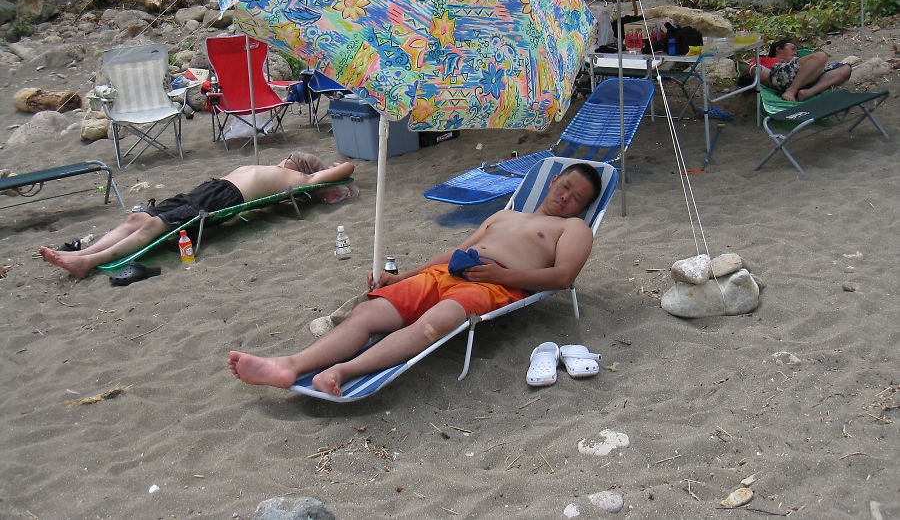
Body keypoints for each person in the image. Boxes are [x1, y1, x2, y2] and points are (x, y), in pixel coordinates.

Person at [228, 162, 603, 397]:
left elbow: (563, 277)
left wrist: (502, 275)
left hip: (493, 284)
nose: (566, 198)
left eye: (577, 198)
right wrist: (401, 277)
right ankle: (290, 365)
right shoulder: (504, 216)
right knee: (367, 314)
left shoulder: (573, 229)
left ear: (583, 208)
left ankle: (343, 371)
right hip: (449, 271)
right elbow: (454, 251)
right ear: (554, 181)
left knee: (432, 325)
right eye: (565, 187)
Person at [40, 153, 355, 280]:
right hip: (208, 189)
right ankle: (81, 253)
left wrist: (326, 167)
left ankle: (89, 261)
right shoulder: (275, 169)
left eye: (292, 158)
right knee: (138, 219)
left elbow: (347, 168)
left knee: (153, 225)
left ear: (300, 165)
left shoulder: (299, 179)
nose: (286, 159)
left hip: (225, 198)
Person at [760, 39, 852, 102]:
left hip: (806, 78)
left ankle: (809, 92)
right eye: (792, 49)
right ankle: (791, 90)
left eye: (797, 52)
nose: (795, 53)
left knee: (846, 68)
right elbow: (753, 66)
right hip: (781, 74)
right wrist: (758, 72)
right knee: (821, 55)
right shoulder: (765, 59)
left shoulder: (799, 60)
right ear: (778, 49)